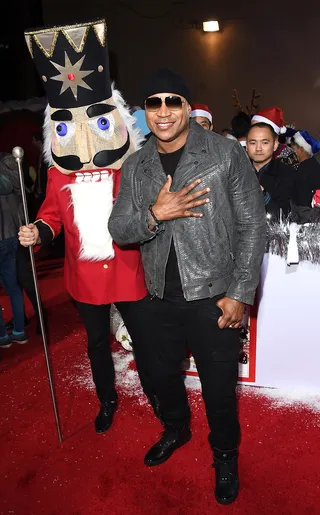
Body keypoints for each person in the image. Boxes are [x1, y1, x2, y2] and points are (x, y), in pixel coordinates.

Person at [109, 68, 266, 505]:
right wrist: (155, 214)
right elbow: (119, 229)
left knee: (218, 391)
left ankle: (225, 455)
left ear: (187, 106)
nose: (163, 111)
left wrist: (239, 293)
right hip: (156, 298)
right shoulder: (135, 164)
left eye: (172, 101)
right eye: (154, 102)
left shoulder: (223, 153)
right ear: (145, 111)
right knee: (161, 378)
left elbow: (253, 224)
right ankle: (176, 428)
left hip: (214, 297)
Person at [19, 19, 155, 434]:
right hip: (85, 279)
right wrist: (37, 232)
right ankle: (107, 400)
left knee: (146, 343)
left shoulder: (130, 167)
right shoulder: (60, 176)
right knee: (98, 344)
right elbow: (51, 217)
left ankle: (158, 396)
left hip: (132, 273)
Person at [0, 153, 28, 347]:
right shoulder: (9, 162)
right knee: (13, 286)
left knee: (12, 286)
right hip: (12, 233)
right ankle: (19, 331)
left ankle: (2, 336)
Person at [246, 123, 294, 219]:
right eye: (253, 143)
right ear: (246, 146)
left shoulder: (287, 174)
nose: (258, 148)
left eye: (265, 142)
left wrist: (262, 194)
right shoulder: (237, 172)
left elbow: (287, 215)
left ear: (275, 144)